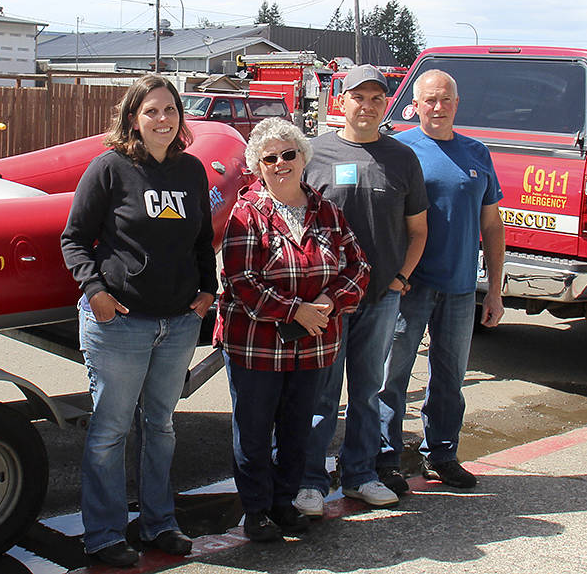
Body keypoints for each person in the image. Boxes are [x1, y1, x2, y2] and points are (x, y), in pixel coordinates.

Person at [60, 74, 217, 567]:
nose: (162, 119)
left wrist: (207, 291)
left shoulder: (191, 171)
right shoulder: (110, 168)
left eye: (170, 110)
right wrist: (96, 292)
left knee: (161, 426)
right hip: (120, 323)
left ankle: (159, 523)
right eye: (151, 111)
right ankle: (104, 535)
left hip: (178, 324)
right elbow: (74, 238)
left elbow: (200, 240)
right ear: (133, 118)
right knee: (110, 430)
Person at [216, 117, 369, 542]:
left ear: (303, 158)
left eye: (289, 154)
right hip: (257, 346)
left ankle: (284, 504)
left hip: (313, 347)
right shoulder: (246, 214)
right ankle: (257, 511)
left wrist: (329, 302)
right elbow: (242, 281)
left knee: (297, 429)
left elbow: (359, 267)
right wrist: (296, 311)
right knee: (254, 433)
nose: (281, 163)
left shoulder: (329, 212)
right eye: (270, 158)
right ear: (257, 166)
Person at [296, 65, 430, 513]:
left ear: (385, 104)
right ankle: (311, 480)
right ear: (342, 100)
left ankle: (361, 474)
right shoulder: (313, 154)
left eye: (376, 98)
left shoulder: (402, 158)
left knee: (368, 389)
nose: (367, 106)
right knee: (322, 393)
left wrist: (399, 279)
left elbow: (418, 230)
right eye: (359, 97)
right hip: (327, 302)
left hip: (381, 298)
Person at [380, 69, 506, 490]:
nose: (438, 107)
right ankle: (385, 459)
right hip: (411, 286)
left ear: (457, 103)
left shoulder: (477, 153)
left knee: (450, 376)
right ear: (414, 105)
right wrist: (395, 275)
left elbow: (492, 225)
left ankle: (443, 454)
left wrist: (495, 290)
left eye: (446, 100)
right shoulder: (399, 149)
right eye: (429, 100)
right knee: (390, 376)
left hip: (459, 287)